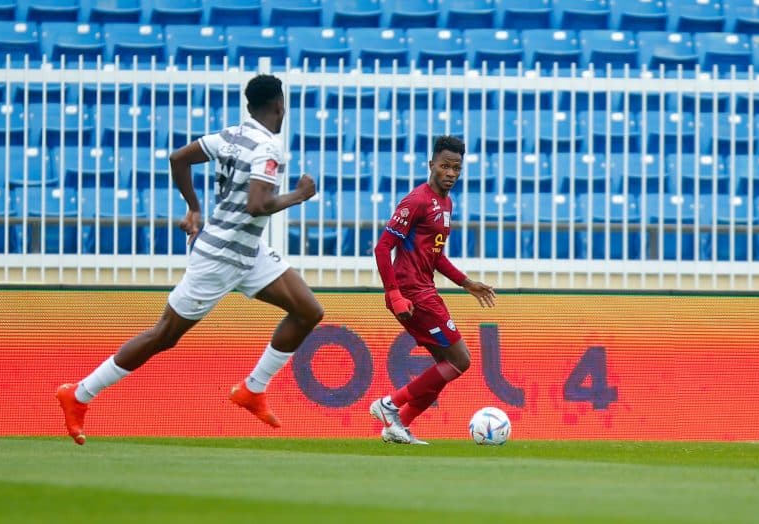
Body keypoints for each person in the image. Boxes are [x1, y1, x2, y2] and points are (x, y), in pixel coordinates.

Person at [56, 74, 324, 445]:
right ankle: (79, 394)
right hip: (219, 259)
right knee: (163, 335)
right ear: (280, 106)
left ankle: (252, 389)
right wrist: (299, 195)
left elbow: (179, 158)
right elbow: (258, 204)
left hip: (247, 250)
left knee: (308, 311)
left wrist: (194, 208)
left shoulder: (231, 135)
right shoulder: (268, 147)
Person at [369, 135, 497, 445]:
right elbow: (383, 248)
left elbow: (435, 255)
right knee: (460, 360)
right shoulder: (417, 201)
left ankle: (397, 427)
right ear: (431, 165)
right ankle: (389, 406)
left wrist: (466, 283)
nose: (451, 173)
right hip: (412, 293)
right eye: (445, 166)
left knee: (446, 365)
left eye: (457, 168)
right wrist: (394, 294)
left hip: (425, 289)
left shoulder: (446, 203)